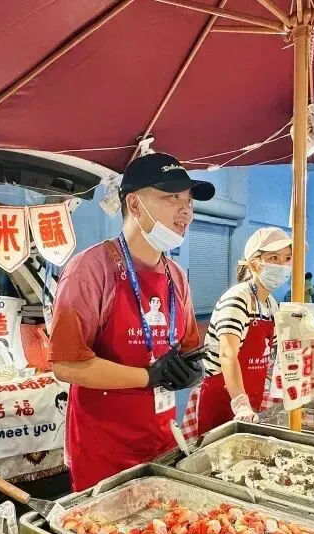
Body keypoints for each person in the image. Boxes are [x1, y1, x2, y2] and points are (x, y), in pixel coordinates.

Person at [50, 152, 209, 490]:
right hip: (103, 447)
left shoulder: (176, 276)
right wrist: (147, 376)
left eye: (189, 201)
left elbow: (188, 348)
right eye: (172, 197)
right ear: (135, 204)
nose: (186, 211)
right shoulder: (91, 269)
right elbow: (66, 364)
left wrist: (194, 370)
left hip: (163, 438)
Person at [188, 227, 291, 434]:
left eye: (287, 258)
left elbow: (275, 349)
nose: (282, 265)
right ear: (254, 263)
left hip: (252, 393)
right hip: (225, 395)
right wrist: (240, 403)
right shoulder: (238, 298)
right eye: (274, 257)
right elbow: (228, 354)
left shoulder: (270, 304)